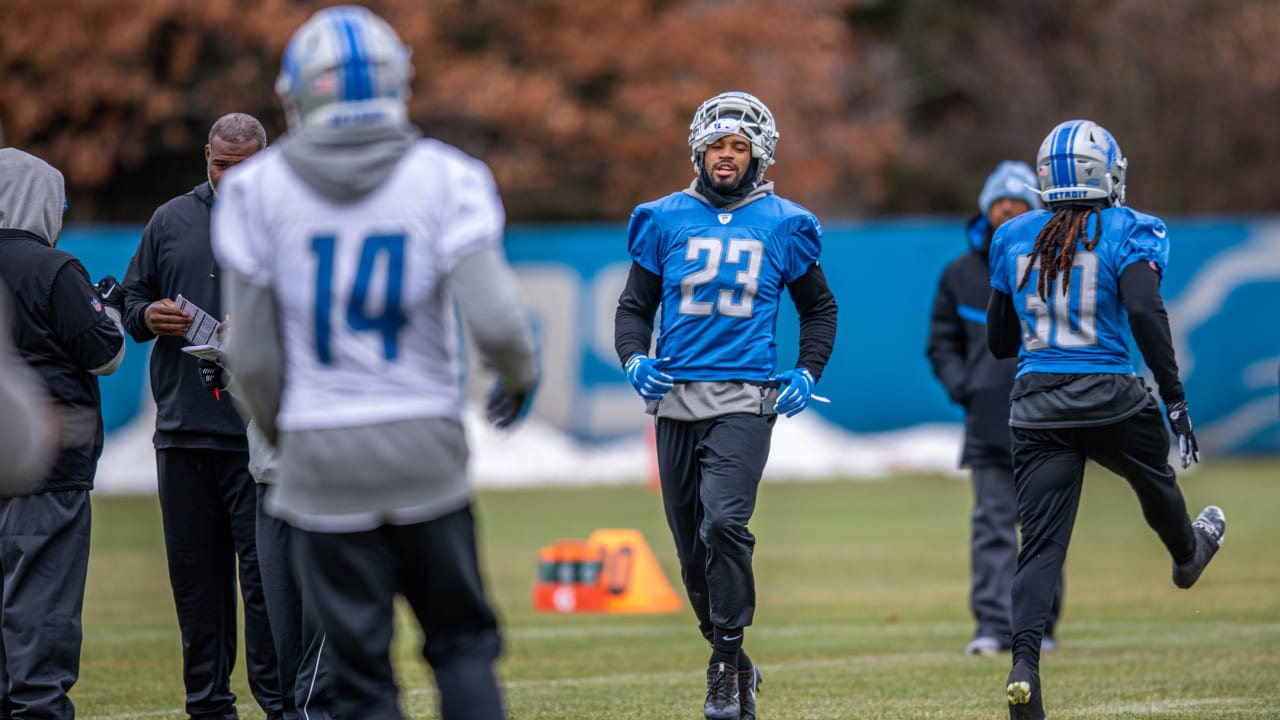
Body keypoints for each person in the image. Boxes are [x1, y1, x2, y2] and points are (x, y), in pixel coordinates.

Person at [210, 6, 539, 720]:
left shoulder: (252, 191)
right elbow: (500, 325)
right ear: (399, 84)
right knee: (460, 644)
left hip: (321, 452)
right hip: (422, 440)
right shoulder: (448, 176)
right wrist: (520, 376)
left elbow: (254, 358)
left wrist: (291, 435)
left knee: (359, 675)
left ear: (298, 92)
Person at [986, 119, 1224, 720]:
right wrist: (1174, 397)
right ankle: (1188, 552)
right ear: (1106, 174)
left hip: (1036, 403)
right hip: (1109, 394)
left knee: (1038, 549)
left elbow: (997, 340)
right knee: (1154, 477)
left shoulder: (1014, 234)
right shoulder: (1130, 228)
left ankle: (1023, 671)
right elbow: (1145, 311)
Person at [613, 91, 838, 720]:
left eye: (739, 146)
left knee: (723, 527)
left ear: (758, 156)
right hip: (677, 400)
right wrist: (635, 358)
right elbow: (634, 308)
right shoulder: (663, 218)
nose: (727, 156)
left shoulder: (784, 223)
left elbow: (819, 309)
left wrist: (806, 369)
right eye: (719, 145)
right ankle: (740, 666)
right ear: (699, 149)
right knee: (691, 555)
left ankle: (721, 666)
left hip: (744, 399)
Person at [121, 114, 281, 720]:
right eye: (222, 167)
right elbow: (132, 301)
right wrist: (146, 317)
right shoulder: (171, 219)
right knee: (195, 584)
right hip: (185, 428)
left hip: (257, 434)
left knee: (266, 587)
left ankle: (280, 705)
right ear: (204, 159)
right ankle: (208, 707)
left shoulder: (290, 219)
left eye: (247, 168)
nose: (234, 180)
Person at [0, 148, 126, 718]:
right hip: (47, 462)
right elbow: (105, 353)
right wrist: (113, 311)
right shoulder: (54, 268)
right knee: (41, 605)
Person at [927, 160, 1065, 656]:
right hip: (988, 420)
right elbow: (940, 342)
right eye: (999, 202)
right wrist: (965, 386)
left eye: (1018, 203)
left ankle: (1039, 627)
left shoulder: (1055, 262)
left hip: (1049, 415)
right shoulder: (960, 274)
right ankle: (990, 625)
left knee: (1043, 527)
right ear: (986, 209)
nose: (1008, 210)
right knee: (991, 526)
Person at [197, 355, 334, 720]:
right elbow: (263, 397)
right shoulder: (266, 299)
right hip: (270, 482)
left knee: (322, 648)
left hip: (328, 482)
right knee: (286, 646)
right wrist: (232, 369)